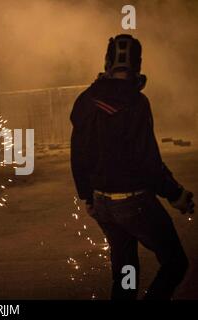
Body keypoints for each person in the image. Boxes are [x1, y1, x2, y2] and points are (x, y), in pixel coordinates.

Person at [70, 34, 194, 300]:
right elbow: (148, 161)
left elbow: (78, 156)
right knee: (176, 263)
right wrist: (175, 194)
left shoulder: (85, 100)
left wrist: (87, 197)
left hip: (103, 203)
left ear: (107, 61)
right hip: (133, 203)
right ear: (138, 64)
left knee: (126, 271)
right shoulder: (137, 102)